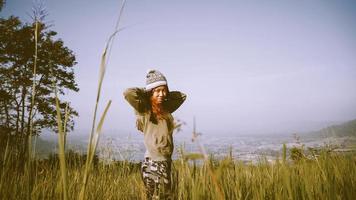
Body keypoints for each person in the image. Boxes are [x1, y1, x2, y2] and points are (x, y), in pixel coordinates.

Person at [123, 69, 186, 199]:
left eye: (164, 90)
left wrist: (162, 93)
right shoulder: (145, 109)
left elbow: (182, 96)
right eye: (157, 91)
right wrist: (147, 89)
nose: (161, 94)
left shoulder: (165, 108)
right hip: (153, 163)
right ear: (150, 92)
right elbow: (128, 93)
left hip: (164, 161)